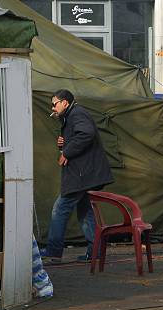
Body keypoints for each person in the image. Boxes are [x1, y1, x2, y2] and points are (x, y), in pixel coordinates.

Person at [40, 89, 114, 262]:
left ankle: (53, 251)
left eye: (55, 103)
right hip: (85, 174)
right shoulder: (71, 115)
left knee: (60, 209)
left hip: (82, 175)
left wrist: (66, 152)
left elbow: (86, 134)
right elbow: (79, 137)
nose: (53, 107)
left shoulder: (77, 114)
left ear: (64, 103)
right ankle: (95, 251)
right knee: (85, 211)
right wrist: (64, 143)